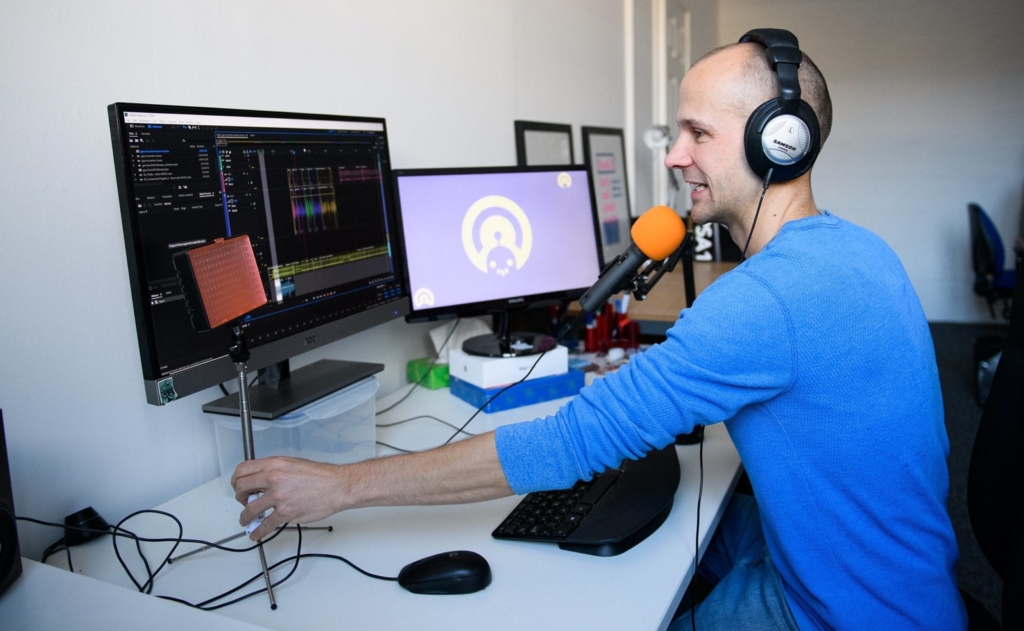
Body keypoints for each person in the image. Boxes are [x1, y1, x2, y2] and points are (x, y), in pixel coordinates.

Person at [232, 33, 966, 630]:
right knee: (694, 529)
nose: (675, 155)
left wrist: (338, 485)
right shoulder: (860, 249)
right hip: (903, 579)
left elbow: (567, 444)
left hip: (842, 613)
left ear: (780, 144)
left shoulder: (762, 301)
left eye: (698, 133)